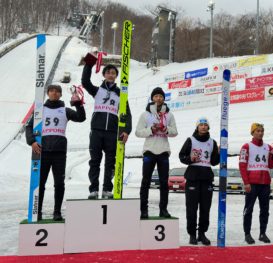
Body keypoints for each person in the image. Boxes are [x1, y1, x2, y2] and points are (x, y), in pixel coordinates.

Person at [26, 84, 86, 220]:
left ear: (60, 94)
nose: (54, 93)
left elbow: (81, 118)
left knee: (59, 183)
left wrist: (78, 104)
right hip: (43, 151)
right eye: (52, 91)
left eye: (57, 91)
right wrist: (32, 142)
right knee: (40, 182)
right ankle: (37, 211)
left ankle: (57, 211)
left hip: (59, 152)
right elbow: (29, 127)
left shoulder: (65, 110)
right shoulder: (40, 110)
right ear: (47, 93)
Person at [82, 54, 132, 199]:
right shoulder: (97, 91)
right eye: (108, 73)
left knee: (110, 162)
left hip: (112, 132)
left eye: (113, 73)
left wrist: (126, 131)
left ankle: (107, 190)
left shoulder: (121, 94)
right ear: (104, 75)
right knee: (95, 161)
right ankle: (94, 189)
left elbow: (127, 114)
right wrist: (88, 65)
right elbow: (85, 82)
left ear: (116, 76)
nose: (111, 75)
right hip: (97, 131)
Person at [135, 87, 178, 219]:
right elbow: (138, 132)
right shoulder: (145, 114)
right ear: (152, 98)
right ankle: (143, 210)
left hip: (163, 151)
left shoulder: (169, 115)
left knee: (164, 182)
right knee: (146, 182)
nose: (158, 98)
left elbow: (175, 132)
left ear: (164, 99)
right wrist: (151, 129)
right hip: (149, 151)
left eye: (161, 96)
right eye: (156, 96)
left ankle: (163, 209)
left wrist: (165, 129)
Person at [179, 117, 220, 246]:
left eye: (205, 125)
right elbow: (181, 156)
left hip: (206, 177)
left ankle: (202, 233)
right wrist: (190, 159)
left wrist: (219, 153)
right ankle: (192, 234)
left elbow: (213, 162)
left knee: (205, 208)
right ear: (197, 127)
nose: (203, 127)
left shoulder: (212, 142)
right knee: (191, 208)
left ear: (208, 127)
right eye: (201, 125)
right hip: (193, 177)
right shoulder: (190, 140)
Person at [239, 123, 273, 244]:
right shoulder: (246, 146)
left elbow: (271, 165)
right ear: (253, 132)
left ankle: (262, 233)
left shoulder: (268, 147)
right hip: (252, 183)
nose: (260, 133)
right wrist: (246, 182)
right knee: (248, 209)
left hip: (265, 183)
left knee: (265, 210)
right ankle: (247, 234)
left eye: (262, 131)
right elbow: (242, 165)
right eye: (257, 131)